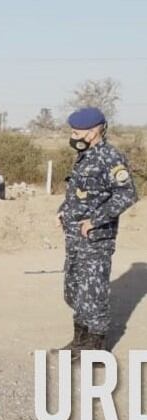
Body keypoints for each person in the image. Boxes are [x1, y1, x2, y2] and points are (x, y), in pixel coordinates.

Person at [54, 107, 137, 359]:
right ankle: (80, 342)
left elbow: (127, 194)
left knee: (94, 293)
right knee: (75, 290)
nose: (73, 134)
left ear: (93, 131)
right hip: (75, 237)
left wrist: (96, 220)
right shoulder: (85, 156)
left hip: (96, 238)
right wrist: (63, 210)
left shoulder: (110, 157)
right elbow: (80, 192)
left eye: (76, 131)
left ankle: (97, 351)